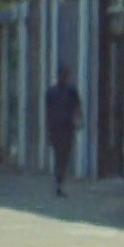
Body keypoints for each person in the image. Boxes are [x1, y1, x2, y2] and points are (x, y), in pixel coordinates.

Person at [44, 66, 84, 196]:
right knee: (59, 156)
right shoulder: (51, 92)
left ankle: (59, 180)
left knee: (64, 156)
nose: (64, 78)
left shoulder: (70, 91)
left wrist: (78, 121)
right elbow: (48, 112)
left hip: (66, 128)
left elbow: (77, 108)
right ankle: (59, 181)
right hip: (57, 128)